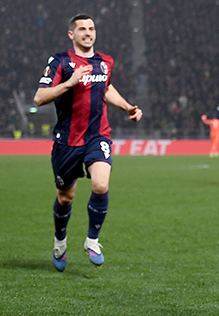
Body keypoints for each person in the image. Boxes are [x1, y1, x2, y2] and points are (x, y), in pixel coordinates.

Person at [33, 14, 143, 271]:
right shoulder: (60, 61)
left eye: (91, 28)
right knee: (65, 197)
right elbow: (39, 98)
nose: (88, 32)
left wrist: (127, 107)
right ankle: (60, 242)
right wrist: (70, 83)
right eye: (82, 29)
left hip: (97, 135)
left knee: (101, 184)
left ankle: (92, 240)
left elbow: (106, 87)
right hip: (67, 140)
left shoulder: (105, 62)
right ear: (71, 34)